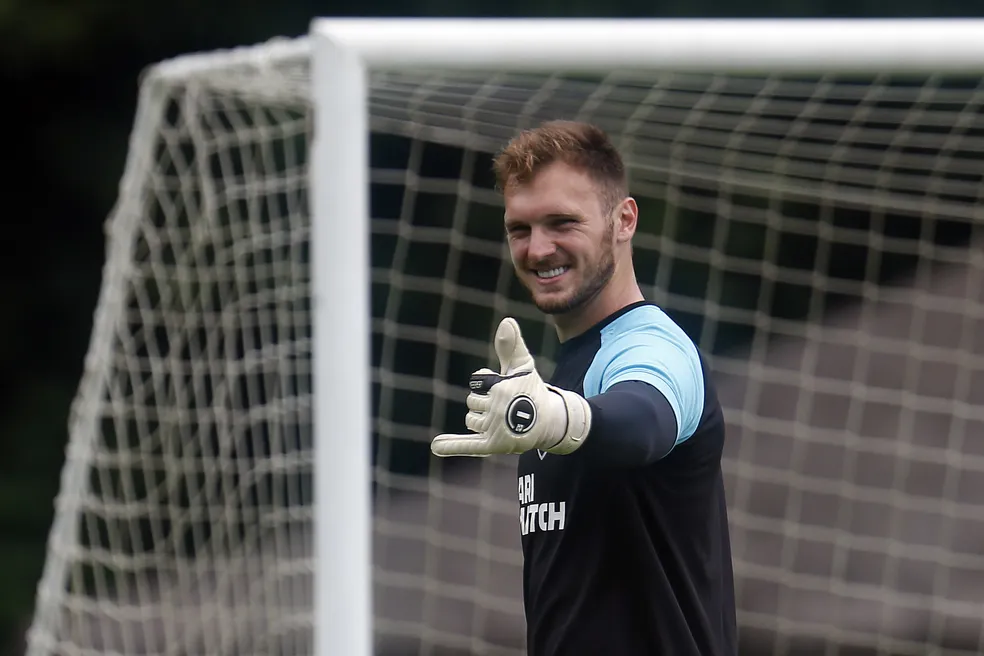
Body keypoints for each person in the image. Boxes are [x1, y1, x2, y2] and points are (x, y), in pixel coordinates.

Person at [431, 120, 737, 656]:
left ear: (624, 220)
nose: (538, 248)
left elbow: (644, 418)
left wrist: (560, 420)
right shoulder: (558, 377)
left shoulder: (651, 347)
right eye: (519, 229)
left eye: (561, 223)